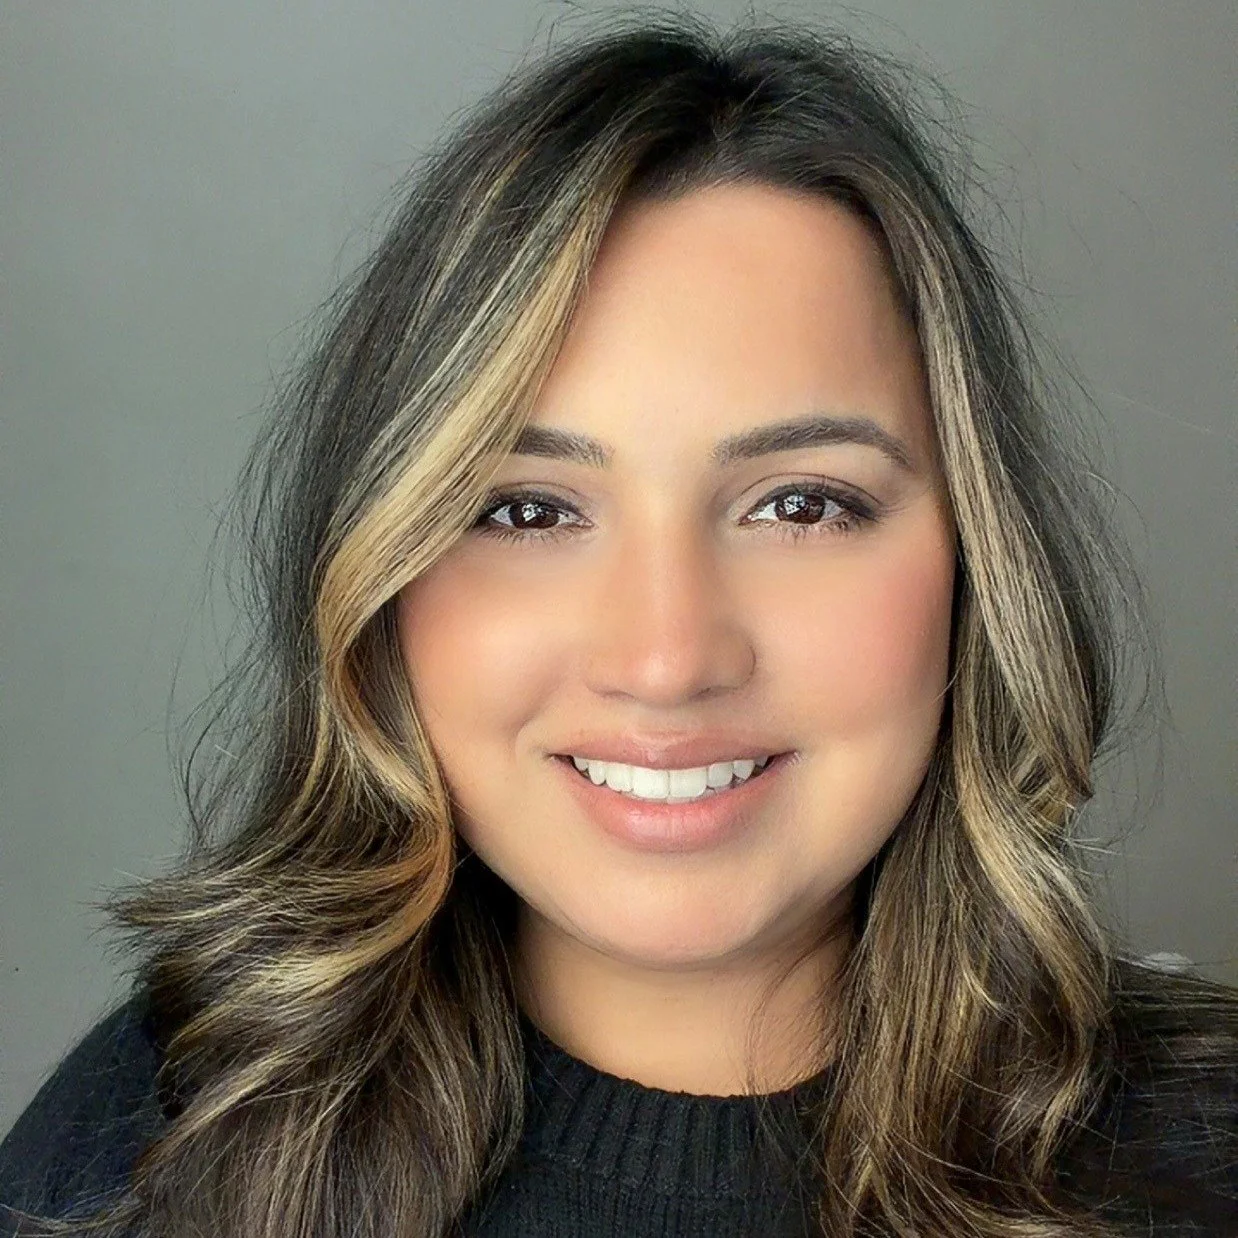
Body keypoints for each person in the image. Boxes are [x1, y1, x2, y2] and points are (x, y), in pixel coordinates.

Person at [2, 12, 1234, 1238]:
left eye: (799, 503)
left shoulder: (1203, 1154)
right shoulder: (163, 1133)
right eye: (528, 508)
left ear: (978, 562)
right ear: (379, 582)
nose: (665, 659)